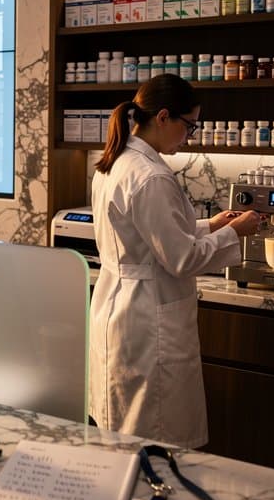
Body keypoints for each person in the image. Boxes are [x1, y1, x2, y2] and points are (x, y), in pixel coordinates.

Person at [88, 74, 262, 449]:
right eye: (189, 125)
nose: (190, 137)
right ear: (163, 116)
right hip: (148, 318)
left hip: (118, 309)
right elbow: (181, 258)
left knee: (121, 430)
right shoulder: (151, 176)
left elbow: (150, 235)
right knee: (154, 440)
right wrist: (235, 233)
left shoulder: (116, 162)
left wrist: (211, 225)